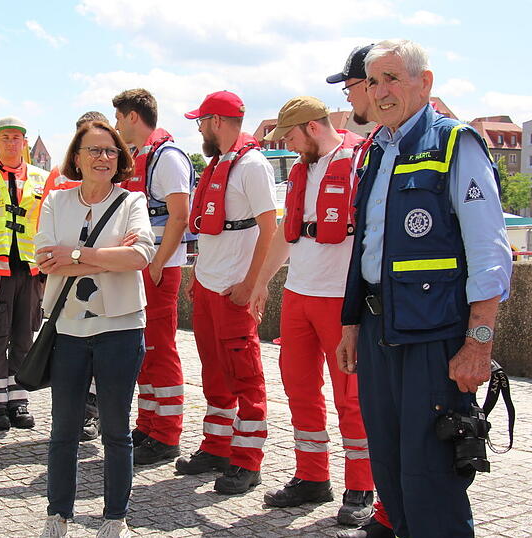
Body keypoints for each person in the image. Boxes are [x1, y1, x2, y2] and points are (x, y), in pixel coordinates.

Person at [335, 40, 511, 537]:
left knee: (431, 477)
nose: (382, 91)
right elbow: (367, 252)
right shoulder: (375, 151)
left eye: (392, 78)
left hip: (433, 338)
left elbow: (490, 254)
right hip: (377, 331)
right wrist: (352, 324)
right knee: (389, 473)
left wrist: (479, 343)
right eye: (373, 82)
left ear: (424, 83)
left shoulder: (456, 144)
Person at [253, 96, 374, 526]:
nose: (287, 144)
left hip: (341, 299)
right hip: (298, 294)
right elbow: (288, 234)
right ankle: (311, 477)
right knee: (299, 388)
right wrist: (265, 280)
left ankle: (361, 485)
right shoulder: (302, 172)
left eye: (289, 135)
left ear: (311, 127)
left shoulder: (361, 159)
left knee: (351, 397)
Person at [35, 120, 154, 538]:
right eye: (95, 150)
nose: (104, 158)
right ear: (77, 157)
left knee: (116, 429)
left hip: (120, 327)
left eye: (111, 151)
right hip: (67, 328)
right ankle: (58, 514)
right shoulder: (55, 202)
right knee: (63, 428)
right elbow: (46, 259)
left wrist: (78, 254)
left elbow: (140, 256)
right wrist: (107, 257)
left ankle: (114, 517)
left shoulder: (131, 201)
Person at [175, 91, 277, 495]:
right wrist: (198, 279)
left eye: (200, 121)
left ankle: (248, 461)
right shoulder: (218, 164)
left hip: (235, 288)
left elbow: (270, 229)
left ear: (216, 121)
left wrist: (252, 284)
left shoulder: (252, 166)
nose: (199, 128)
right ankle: (217, 446)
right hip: (209, 284)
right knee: (214, 372)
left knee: (246, 376)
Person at [327, 44, 397, 538]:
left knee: (409, 418)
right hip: (371, 305)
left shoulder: (431, 141)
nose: (350, 95)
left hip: (413, 309)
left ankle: (397, 513)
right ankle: (388, 512)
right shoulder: (374, 146)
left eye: (352, 85)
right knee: (381, 414)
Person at [112, 88, 193, 465]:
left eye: (117, 118)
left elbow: (179, 215)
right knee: (144, 352)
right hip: (142, 266)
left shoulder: (167, 157)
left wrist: (159, 262)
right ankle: (148, 424)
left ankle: (168, 433)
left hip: (160, 267)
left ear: (132, 117)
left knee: (161, 350)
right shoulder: (142, 156)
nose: (115, 126)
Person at [0, 117, 50, 430]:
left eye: (17, 137)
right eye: (5, 137)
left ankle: (18, 401)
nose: (11, 143)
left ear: (24, 142)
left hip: (29, 270)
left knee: (23, 339)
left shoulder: (42, 178)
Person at [43, 110, 111, 443]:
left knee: (94, 345)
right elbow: (44, 234)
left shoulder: (104, 170)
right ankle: (81, 412)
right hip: (77, 273)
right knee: (74, 345)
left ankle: (89, 412)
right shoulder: (59, 175)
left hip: (86, 273)